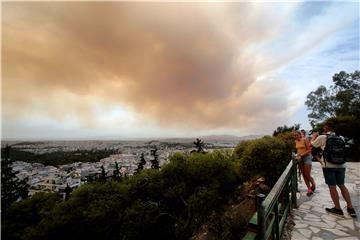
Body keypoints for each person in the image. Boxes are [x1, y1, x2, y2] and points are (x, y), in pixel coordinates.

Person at [311, 123, 357, 218]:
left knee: (332, 187)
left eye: (324, 127)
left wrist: (313, 137)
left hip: (329, 165)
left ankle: (337, 208)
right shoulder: (341, 137)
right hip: (341, 164)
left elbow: (313, 145)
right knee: (342, 185)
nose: (323, 128)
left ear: (326, 128)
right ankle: (350, 208)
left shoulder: (323, 137)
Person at [294, 130, 316, 196]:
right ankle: (309, 189)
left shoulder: (305, 140)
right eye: (294, 135)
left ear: (300, 135)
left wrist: (301, 155)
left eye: (297, 135)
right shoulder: (295, 141)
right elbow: (298, 149)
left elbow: (309, 150)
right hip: (300, 159)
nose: (295, 136)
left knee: (307, 174)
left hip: (307, 158)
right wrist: (297, 155)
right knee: (303, 174)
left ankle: (313, 184)